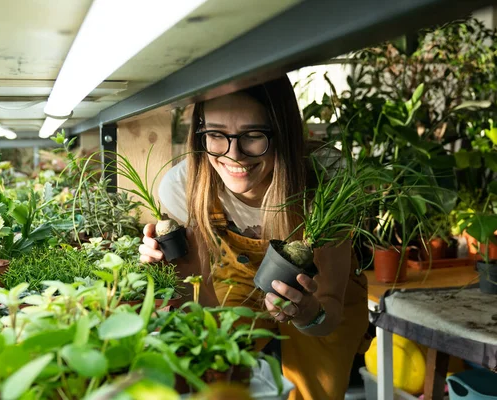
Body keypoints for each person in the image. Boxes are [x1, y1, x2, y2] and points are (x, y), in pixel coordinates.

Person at [139, 75, 370, 400]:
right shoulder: (184, 186)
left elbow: (328, 313)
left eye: (253, 135)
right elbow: (204, 308)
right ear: (200, 130)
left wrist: (307, 312)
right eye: (217, 134)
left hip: (316, 291)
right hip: (237, 279)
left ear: (283, 132)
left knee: (316, 390)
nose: (234, 155)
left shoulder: (327, 175)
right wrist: (171, 275)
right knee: (223, 369)